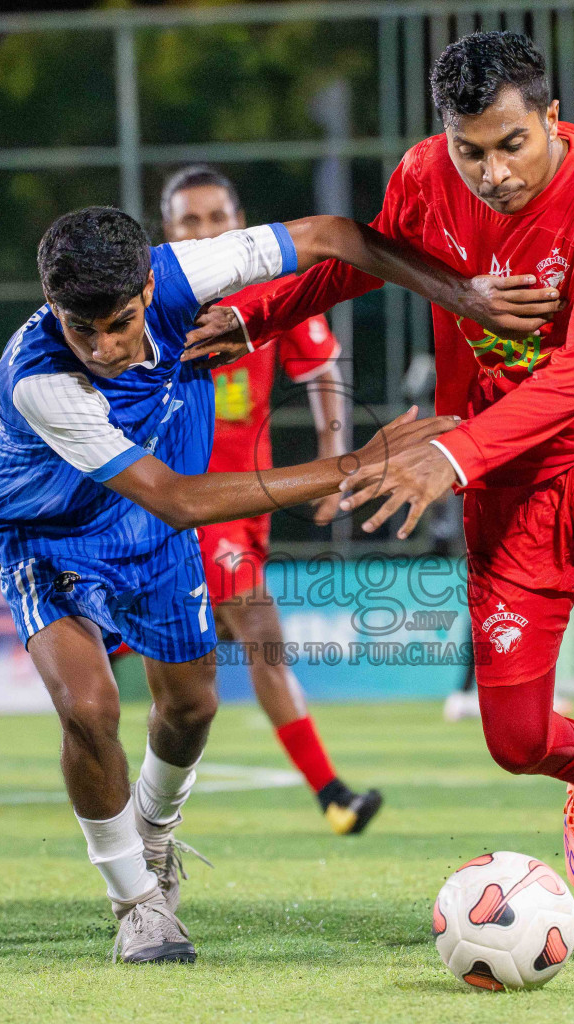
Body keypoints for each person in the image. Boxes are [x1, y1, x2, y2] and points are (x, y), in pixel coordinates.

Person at [186, 32, 574, 959]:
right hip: (512, 484)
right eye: (470, 148)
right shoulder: (426, 176)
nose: (491, 171)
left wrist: (457, 452)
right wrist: (256, 315)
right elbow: (367, 262)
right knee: (512, 739)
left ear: (551, 120)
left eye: (512, 144)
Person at [0, 205, 557, 964]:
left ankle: (153, 838)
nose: (105, 347)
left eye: (118, 323)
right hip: (48, 537)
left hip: (149, 538)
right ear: (55, 309)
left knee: (191, 708)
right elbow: (177, 495)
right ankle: (137, 904)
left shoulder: (183, 273)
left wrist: (465, 296)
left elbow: (333, 236)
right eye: (84, 329)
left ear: (148, 286)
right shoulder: (38, 379)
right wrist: (355, 465)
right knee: (89, 707)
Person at [159, 165, 382, 835]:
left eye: (216, 217)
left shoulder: (268, 290)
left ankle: (147, 815)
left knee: (188, 666)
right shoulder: (152, 301)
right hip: (187, 507)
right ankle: (333, 796)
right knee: (259, 634)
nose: (204, 231)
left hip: (246, 504)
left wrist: (332, 454)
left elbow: (320, 364)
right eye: (188, 221)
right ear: (166, 233)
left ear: (239, 221)